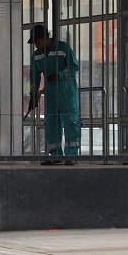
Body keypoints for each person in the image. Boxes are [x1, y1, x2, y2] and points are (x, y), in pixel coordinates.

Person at [28, 24, 80, 164]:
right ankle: (56, 155)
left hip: (67, 91)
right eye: (34, 43)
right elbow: (34, 78)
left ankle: (71, 156)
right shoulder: (37, 56)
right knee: (51, 123)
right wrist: (33, 95)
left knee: (70, 122)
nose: (36, 45)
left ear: (46, 38)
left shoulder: (63, 48)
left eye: (38, 41)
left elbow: (74, 66)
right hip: (51, 93)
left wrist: (59, 75)